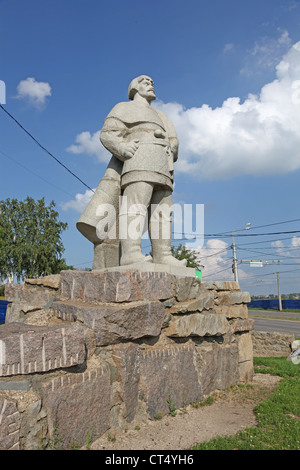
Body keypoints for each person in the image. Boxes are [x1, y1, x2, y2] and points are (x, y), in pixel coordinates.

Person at [99, 75, 186, 267]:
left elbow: (174, 140)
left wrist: (172, 145)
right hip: (139, 160)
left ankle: (163, 255)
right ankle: (131, 253)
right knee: (136, 205)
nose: (151, 85)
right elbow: (107, 133)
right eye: (146, 83)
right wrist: (122, 148)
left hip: (163, 165)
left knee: (163, 211)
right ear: (134, 88)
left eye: (152, 83)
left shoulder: (162, 115)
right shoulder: (123, 107)